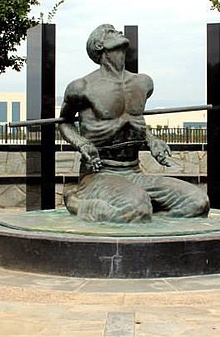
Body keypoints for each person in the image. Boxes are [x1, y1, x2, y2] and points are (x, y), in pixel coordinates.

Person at [58, 24, 210, 223]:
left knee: (197, 202)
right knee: (137, 209)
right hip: (100, 174)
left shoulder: (143, 83)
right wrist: (82, 144)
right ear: (98, 45)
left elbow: (133, 122)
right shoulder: (82, 87)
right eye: (111, 31)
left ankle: (143, 216)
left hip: (133, 171)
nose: (118, 32)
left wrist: (151, 139)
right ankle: (78, 203)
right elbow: (64, 122)